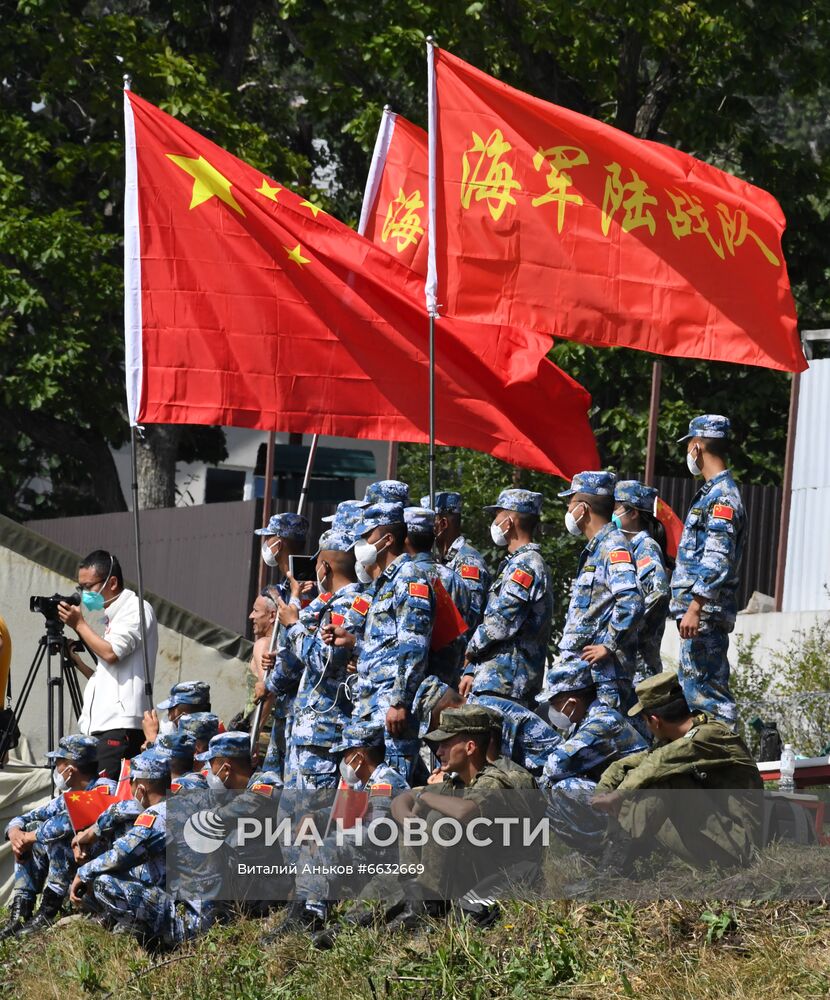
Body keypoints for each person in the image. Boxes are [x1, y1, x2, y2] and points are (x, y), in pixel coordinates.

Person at [593, 670, 763, 871]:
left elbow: (658, 762)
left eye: (646, 721)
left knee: (665, 780)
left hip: (739, 846)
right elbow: (625, 765)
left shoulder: (710, 736)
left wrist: (619, 794)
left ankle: (613, 867)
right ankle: (614, 860)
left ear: (655, 720)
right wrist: (602, 793)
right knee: (642, 781)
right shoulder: (674, 742)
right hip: (715, 838)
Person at [388, 706, 537, 930]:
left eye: (446, 744)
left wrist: (425, 798)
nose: (439, 752)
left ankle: (430, 906)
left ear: (469, 747)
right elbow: (402, 799)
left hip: (510, 876)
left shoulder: (497, 780)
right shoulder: (458, 782)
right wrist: (410, 818)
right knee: (414, 823)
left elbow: (464, 811)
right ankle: (417, 904)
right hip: (475, 872)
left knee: (440, 819)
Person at [267, 721, 409, 945]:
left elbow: (378, 831)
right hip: (367, 854)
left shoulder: (385, 782)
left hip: (389, 859)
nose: (342, 762)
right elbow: (344, 810)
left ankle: (311, 914)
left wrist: (333, 840)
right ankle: (301, 910)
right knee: (311, 844)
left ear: (359, 758)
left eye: (345, 755)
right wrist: (317, 817)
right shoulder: (360, 784)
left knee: (325, 847)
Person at [335, 502, 434, 779]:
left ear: (387, 539)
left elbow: (414, 645)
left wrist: (400, 702)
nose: (362, 544)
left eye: (367, 536)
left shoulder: (409, 578)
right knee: (375, 789)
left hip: (391, 708)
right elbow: (387, 646)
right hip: (372, 704)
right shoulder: (383, 583)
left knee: (393, 786)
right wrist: (353, 642)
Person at [71, 750, 201, 949]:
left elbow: (122, 854)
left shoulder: (159, 816)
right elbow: (122, 811)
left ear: (140, 788)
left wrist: (83, 872)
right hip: (205, 910)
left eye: (131, 783)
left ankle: (151, 942)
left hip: (189, 923)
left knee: (104, 882)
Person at [546, 472, 645, 717]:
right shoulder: (597, 549)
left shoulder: (613, 546)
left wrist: (608, 645)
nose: (567, 510)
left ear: (582, 508)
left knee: (607, 743)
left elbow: (631, 600)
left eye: (570, 502)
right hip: (587, 674)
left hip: (604, 675)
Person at [671, 415, 746, 728]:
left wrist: (695, 606)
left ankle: (730, 768)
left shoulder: (722, 497)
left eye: (688, 444)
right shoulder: (711, 494)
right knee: (696, 700)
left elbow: (718, 557)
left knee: (710, 702)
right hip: (699, 615)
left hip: (704, 615)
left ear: (697, 446)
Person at [277, 527, 366, 789]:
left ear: (324, 566)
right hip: (316, 729)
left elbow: (324, 660)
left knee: (312, 820)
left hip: (325, 729)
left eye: (316, 562)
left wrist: (293, 626)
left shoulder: (345, 605)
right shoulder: (334, 602)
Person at [0, 735, 113, 938]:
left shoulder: (104, 790)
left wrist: (27, 837)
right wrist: (15, 832)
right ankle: (21, 911)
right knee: (33, 829)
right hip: (78, 875)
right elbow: (28, 817)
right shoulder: (72, 793)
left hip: (98, 879)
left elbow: (61, 826)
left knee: (55, 838)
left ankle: (48, 911)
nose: (56, 769)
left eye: (58, 763)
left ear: (71, 768)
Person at [58, 550, 157, 779]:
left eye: (88, 586)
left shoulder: (135, 609)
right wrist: (78, 661)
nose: (83, 595)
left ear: (112, 582)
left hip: (119, 728)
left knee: (107, 798)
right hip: (104, 727)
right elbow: (108, 675)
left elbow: (111, 653)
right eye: (80, 588)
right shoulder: (113, 616)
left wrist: (79, 624)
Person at [535, 664, 648, 852]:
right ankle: (598, 850)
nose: (552, 709)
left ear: (572, 702)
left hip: (637, 801)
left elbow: (555, 766)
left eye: (554, 703)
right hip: (617, 795)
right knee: (543, 793)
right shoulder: (582, 721)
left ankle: (621, 847)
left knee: (564, 788)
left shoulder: (603, 721)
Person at [460, 489, 553, 706]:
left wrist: (470, 649)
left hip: (508, 681)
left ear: (509, 522)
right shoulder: (517, 562)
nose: (494, 522)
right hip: (500, 679)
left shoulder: (526, 564)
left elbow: (501, 622)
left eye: (497, 515)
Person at [414, 676, 561, 779]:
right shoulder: (471, 716)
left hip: (550, 779)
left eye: (436, 724)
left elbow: (494, 771)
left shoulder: (487, 713)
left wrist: (449, 779)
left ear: (449, 709)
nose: (438, 730)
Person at [252, 511, 309, 774]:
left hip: (301, 704)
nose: (266, 545)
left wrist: (271, 682)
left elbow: (303, 649)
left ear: (280, 542)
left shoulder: (307, 585)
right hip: (284, 705)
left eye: (270, 538)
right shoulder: (283, 587)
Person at [404, 505, 471, 688]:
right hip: (447, 685)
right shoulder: (455, 579)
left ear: (405, 539)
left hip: (415, 686)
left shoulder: (406, 577)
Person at [612, 480, 672, 683]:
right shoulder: (628, 548)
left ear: (634, 513)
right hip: (627, 663)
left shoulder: (645, 547)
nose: (612, 514)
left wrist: (626, 627)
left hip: (639, 665)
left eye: (616, 508)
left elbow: (659, 592)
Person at [422, 491, 491, 631]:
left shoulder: (468, 562)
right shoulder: (443, 558)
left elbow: (469, 616)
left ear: (442, 524)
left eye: (427, 522)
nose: (423, 528)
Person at [143, 680, 212, 746]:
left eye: (171, 710)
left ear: (185, 716)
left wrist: (151, 737)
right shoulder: (214, 736)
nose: (169, 718)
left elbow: (174, 758)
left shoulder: (197, 746)